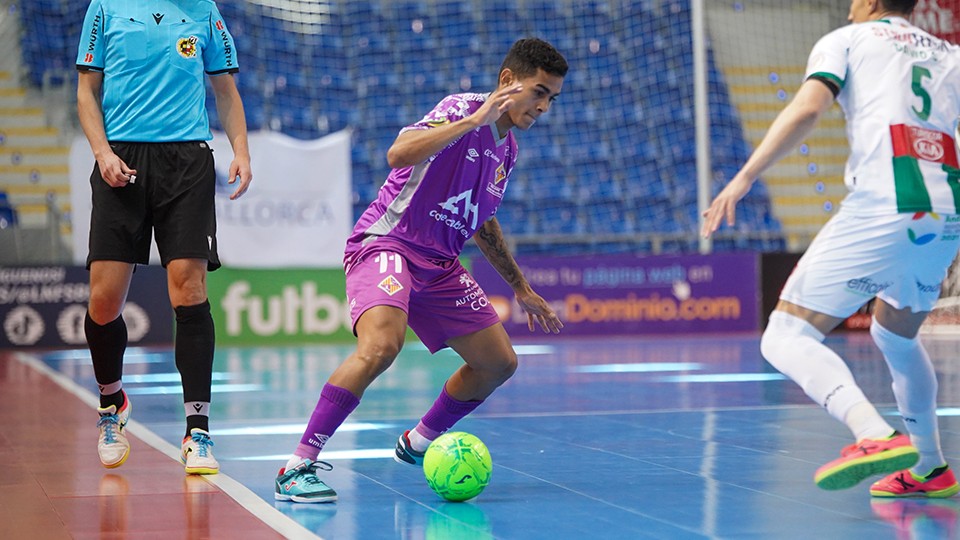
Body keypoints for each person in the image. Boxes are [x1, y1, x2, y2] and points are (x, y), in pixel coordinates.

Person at [273, 38, 568, 503]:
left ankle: (418, 442)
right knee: (381, 346)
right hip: (389, 244)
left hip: (442, 265)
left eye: (552, 98)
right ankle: (297, 466)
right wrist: (471, 122)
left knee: (499, 363)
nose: (544, 107)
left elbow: (482, 220)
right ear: (508, 81)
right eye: (539, 92)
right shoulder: (461, 109)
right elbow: (398, 153)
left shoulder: (508, 150)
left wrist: (520, 287)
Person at [703, 0, 960, 498]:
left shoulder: (848, 39)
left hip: (884, 203)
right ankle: (931, 467)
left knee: (784, 335)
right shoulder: (949, 54)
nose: (847, 10)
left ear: (871, 2)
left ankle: (872, 433)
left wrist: (744, 177)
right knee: (896, 336)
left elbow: (808, 108)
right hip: (945, 210)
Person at [76, 0, 252, 475]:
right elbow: (86, 92)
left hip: (186, 162)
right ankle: (111, 403)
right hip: (120, 161)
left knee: (189, 291)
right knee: (104, 302)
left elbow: (226, 90)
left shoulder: (203, 10)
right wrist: (102, 153)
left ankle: (198, 432)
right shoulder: (105, 8)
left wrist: (241, 150)